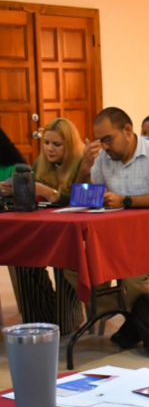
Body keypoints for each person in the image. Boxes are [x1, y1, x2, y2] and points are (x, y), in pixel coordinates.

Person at [71, 107, 149, 345]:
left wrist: (125, 201)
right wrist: (84, 168)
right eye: (100, 141)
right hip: (115, 235)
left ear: (128, 131)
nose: (105, 146)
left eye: (108, 139)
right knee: (72, 260)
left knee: (133, 271)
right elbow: (83, 199)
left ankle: (137, 317)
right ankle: (131, 314)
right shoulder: (103, 157)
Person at [0, 118, 86, 332]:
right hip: (45, 228)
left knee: (65, 256)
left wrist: (48, 191)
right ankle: (39, 317)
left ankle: (67, 318)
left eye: (57, 144)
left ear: (70, 145)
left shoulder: (82, 163)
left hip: (74, 231)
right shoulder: (40, 164)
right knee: (20, 255)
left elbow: (84, 197)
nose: (49, 149)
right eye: (46, 143)